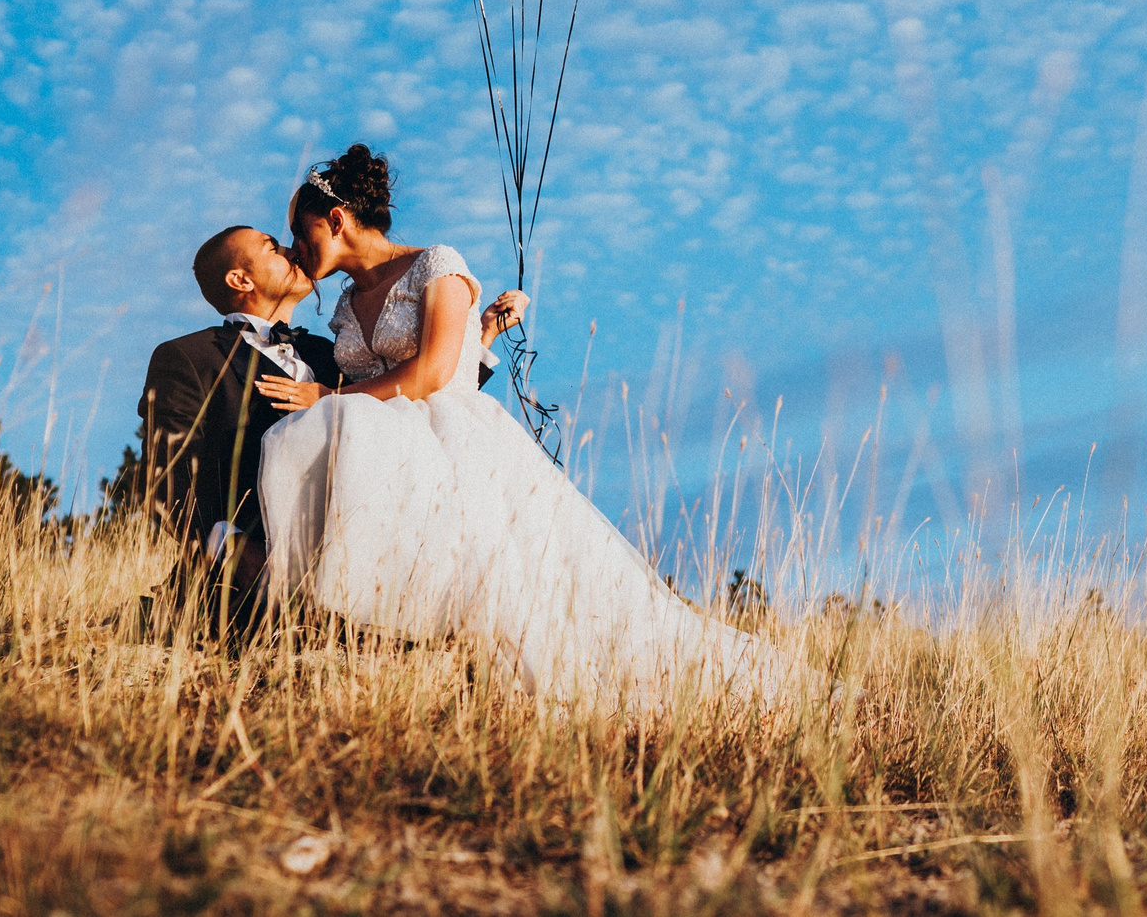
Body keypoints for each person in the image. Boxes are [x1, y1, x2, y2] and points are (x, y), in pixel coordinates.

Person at [256, 143, 805, 706]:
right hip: (389, 450)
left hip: (453, 439)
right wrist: (483, 336)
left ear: (337, 220)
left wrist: (328, 397)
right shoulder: (345, 304)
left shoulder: (435, 265)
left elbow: (436, 369)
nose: (297, 250)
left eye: (302, 235)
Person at [135, 225, 344, 637]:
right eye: (273, 246)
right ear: (240, 279)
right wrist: (229, 545)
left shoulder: (333, 353)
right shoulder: (189, 357)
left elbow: (401, 409)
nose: (292, 249)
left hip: (343, 573)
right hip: (239, 588)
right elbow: (165, 473)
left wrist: (479, 343)